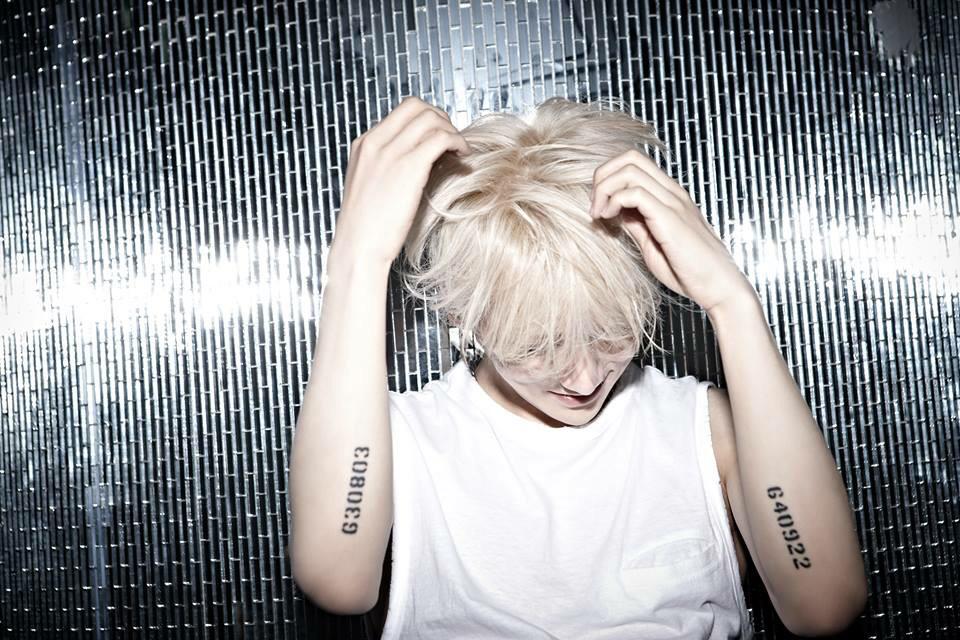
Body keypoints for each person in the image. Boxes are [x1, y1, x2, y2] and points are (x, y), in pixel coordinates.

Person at [289, 96, 867, 639]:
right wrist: (359, 259)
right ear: (466, 317)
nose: (585, 379)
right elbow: (337, 581)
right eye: (537, 346)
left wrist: (731, 302)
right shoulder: (404, 440)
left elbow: (824, 605)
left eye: (611, 332)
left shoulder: (704, 429)